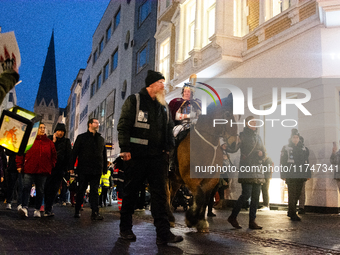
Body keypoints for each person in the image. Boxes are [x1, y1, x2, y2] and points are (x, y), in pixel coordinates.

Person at [117, 70, 183, 245]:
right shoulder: (134, 101)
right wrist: (125, 148)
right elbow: (123, 125)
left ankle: (163, 234)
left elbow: (169, 130)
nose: (164, 86)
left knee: (160, 197)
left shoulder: (163, 106)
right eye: (161, 82)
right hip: (136, 157)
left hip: (157, 159)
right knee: (131, 193)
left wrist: (168, 149)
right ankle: (125, 228)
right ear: (151, 85)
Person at [228, 116, 266, 230]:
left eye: (255, 122)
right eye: (252, 122)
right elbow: (234, 148)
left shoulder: (259, 137)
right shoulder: (242, 136)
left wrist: (261, 154)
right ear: (246, 123)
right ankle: (233, 216)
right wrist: (225, 147)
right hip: (247, 168)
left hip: (258, 170)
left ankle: (252, 221)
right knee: (246, 194)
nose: (254, 124)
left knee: (256, 196)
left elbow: (264, 152)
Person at [16, 123, 57, 218]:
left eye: (43, 128)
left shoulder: (49, 142)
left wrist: (50, 166)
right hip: (29, 168)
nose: (42, 130)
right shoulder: (29, 140)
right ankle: (24, 207)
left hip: (43, 170)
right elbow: (20, 153)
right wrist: (19, 165)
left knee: (40, 190)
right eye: (40, 128)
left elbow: (54, 156)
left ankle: (37, 209)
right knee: (26, 188)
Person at [72, 118, 107, 220]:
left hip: (96, 169)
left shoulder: (101, 139)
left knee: (95, 191)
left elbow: (103, 155)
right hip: (84, 168)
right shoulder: (81, 137)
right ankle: (77, 210)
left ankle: (95, 211)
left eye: (98, 123)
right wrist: (71, 167)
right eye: (96, 122)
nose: (98, 124)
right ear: (90, 124)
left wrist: (104, 168)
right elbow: (74, 153)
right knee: (81, 190)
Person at [281, 129, 310, 221]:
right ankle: (292, 213)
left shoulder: (303, 148)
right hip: (291, 174)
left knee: (297, 194)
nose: (295, 139)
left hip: (300, 175)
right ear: (291, 138)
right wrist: (283, 174)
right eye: (294, 137)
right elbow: (283, 162)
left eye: (297, 137)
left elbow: (306, 162)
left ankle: (291, 211)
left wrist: (307, 173)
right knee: (292, 194)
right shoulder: (286, 148)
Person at [44, 123, 72, 217]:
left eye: (62, 131)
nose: (60, 133)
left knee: (54, 188)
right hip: (48, 168)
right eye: (58, 131)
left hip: (59, 169)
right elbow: (47, 152)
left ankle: (48, 208)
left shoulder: (67, 141)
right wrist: (54, 142)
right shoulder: (50, 139)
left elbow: (68, 156)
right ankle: (45, 206)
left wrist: (67, 169)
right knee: (46, 187)